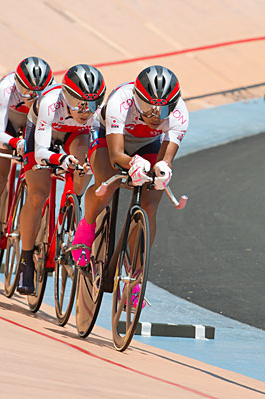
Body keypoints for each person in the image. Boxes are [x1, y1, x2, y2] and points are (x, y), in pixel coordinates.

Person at [72, 65, 189, 282]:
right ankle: (86, 229)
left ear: (173, 106)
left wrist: (163, 171)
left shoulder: (180, 114)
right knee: (106, 187)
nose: (155, 116)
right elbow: (116, 155)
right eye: (147, 107)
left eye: (163, 110)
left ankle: (136, 273)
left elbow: (165, 160)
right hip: (109, 137)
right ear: (136, 98)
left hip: (148, 143)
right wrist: (134, 162)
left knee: (151, 204)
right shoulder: (120, 101)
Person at [15, 64, 106, 294]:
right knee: (38, 195)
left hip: (74, 137)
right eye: (79, 103)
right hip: (43, 137)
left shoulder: (97, 112)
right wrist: (61, 159)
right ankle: (26, 260)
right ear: (66, 96)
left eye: (92, 104)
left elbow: (99, 146)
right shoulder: (49, 103)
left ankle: (71, 211)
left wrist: (87, 166)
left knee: (83, 167)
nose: (86, 111)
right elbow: (41, 152)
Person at [0, 57, 53, 271]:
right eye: (26, 93)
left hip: (36, 125)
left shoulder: (53, 95)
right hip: (8, 125)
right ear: (17, 85)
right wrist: (15, 142)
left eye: (38, 94)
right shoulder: (6, 87)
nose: (32, 98)